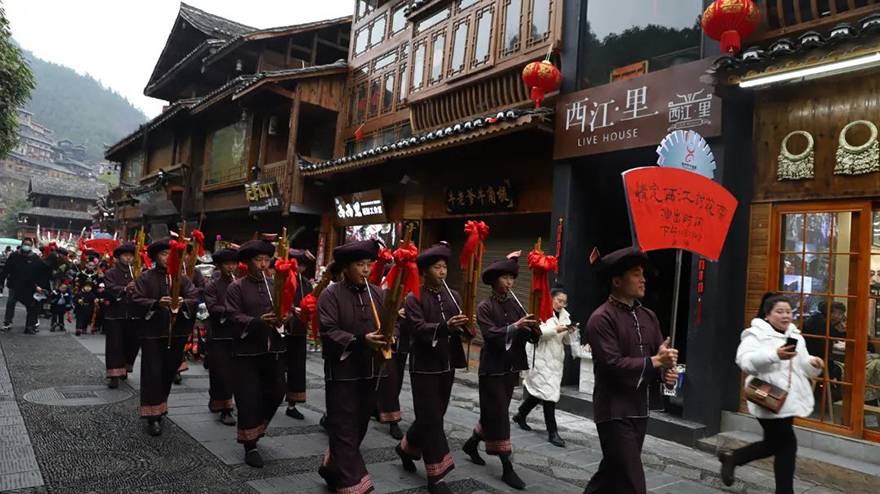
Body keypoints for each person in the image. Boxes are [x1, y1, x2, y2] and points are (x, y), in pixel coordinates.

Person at [584, 247, 678, 494]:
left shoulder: (649, 316)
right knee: (632, 483)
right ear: (617, 281)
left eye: (643, 274)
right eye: (636, 274)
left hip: (640, 409)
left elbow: (659, 358)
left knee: (611, 473)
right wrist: (656, 361)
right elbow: (612, 364)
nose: (643, 279)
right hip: (613, 411)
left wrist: (666, 372)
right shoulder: (601, 318)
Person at [719, 293, 824, 493]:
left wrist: (813, 364)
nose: (785, 316)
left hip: (789, 399)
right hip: (766, 395)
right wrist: (775, 355)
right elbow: (745, 361)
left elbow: (803, 364)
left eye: (788, 311)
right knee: (786, 443)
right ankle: (780, 488)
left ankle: (733, 457)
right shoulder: (756, 334)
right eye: (779, 312)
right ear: (767, 315)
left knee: (778, 443)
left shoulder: (795, 336)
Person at [462, 252, 540, 490]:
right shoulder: (484, 307)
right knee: (499, 415)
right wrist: (515, 327)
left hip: (510, 367)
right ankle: (507, 467)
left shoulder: (515, 305)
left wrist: (533, 331)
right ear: (494, 280)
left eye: (512, 278)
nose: (510, 282)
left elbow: (523, 335)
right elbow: (491, 336)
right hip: (492, 368)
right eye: (505, 278)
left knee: (496, 412)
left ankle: (472, 443)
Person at [396, 242, 468, 494]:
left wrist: (464, 327)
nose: (442, 272)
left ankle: (406, 447)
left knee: (434, 414)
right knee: (432, 418)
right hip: (424, 365)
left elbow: (458, 326)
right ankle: (436, 476)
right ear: (425, 271)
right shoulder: (413, 297)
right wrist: (446, 327)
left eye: (444, 267)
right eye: (437, 267)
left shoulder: (454, 295)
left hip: (446, 363)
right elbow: (417, 329)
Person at [317, 239, 387, 493]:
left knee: (359, 425)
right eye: (360, 264)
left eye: (369, 264)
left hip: (369, 370)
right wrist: (360, 340)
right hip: (342, 372)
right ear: (346, 268)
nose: (366, 269)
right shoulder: (330, 294)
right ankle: (352, 485)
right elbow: (328, 330)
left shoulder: (377, 293)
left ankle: (332, 466)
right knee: (344, 425)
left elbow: (390, 325)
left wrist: (391, 333)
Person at [225, 239, 288, 468]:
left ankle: (257, 427)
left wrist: (285, 317)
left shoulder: (275, 284)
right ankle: (249, 444)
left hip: (273, 350)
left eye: (266, 260)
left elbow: (286, 310)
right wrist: (257, 321)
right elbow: (233, 316)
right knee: (249, 397)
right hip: (246, 353)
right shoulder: (236, 287)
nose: (263, 264)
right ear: (248, 263)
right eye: (258, 260)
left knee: (277, 391)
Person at [131, 238, 200, 436]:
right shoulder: (146, 278)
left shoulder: (182, 279)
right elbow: (136, 299)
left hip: (176, 334)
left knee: (168, 372)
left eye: (172, 254)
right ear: (155, 257)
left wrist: (183, 302)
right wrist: (156, 303)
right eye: (164, 254)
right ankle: (152, 416)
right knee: (152, 373)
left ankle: (161, 405)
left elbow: (194, 297)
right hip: (153, 334)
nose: (168, 258)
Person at [513, 288, 576, 447]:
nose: (561, 304)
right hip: (541, 358)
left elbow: (566, 341)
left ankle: (520, 414)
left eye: (564, 302)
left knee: (542, 392)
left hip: (555, 360)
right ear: (551, 299)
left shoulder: (565, 316)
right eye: (559, 300)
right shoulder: (541, 312)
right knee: (549, 395)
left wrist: (570, 331)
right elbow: (537, 334)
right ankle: (552, 432)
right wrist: (556, 329)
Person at [203, 247, 239, 426]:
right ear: (219, 265)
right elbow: (212, 307)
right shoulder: (213, 285)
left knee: (234, 373)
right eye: (227, 264)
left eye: (234, 263)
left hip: (236, 334)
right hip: (219, 333)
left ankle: (221, 401)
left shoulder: (239, 283)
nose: (231, 267)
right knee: (220, 372)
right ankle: (225, 408)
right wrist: (230, 311)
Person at [102, 244, 140, 388]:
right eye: (125, 255)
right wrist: (124, 289)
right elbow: (108, 289)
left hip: (133, 314)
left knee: (131, 343)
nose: (128, 258)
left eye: (131, 256)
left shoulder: (137, 272)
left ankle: (124, 368)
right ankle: (113, 375)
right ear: (118, 257)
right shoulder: (110, 273)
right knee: (114, 345)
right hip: (115, 314)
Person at [285, 248, 314, 420]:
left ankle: (292, 404)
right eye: (298, 264)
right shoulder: (281, 279)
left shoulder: (307, 284)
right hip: (282, 329)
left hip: (299, 330)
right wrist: (290, 309)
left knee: (296, 368)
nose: (300, 268)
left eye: (303, 265)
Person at [0, 237, 49, 334]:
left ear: (31, 246)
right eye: (25, 244)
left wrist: (39, 285)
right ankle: (7, 322)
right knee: (11, 303)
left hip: (28, 286)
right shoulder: (14, 256)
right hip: (14, 284)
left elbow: (41, 271)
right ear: (22, 245)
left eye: (29, 245)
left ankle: (32, 323)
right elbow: (6, 269)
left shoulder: (35, 258)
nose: (27, 246)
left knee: (30, 305)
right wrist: (1, 282)